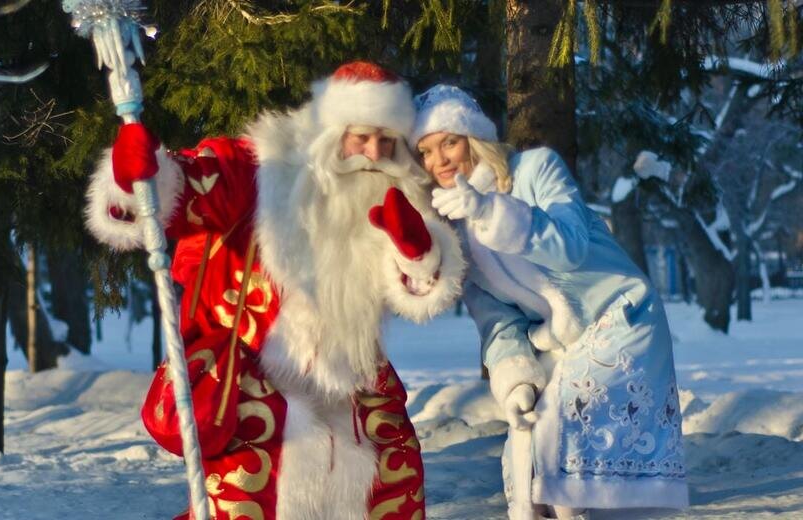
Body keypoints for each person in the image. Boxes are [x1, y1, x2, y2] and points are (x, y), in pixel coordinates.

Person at [85, 61, 467, 519]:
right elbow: (188, 189)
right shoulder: (261, 167)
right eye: (361, 137)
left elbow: (418, 288)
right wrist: (140, 178)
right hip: (253, 379)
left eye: (387, 141)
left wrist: (417, 252)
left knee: (391, 486)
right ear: (330, 131)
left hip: (354, 381)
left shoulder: (393, 192)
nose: (373, 153)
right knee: (251, 497)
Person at [410, 85, 688, 520]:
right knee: (529, 450)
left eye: (449, 142)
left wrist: (489, 211)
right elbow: (497, 320)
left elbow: (572, 246)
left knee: (562, 431)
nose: (439, 160)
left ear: (474, 139)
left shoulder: (536, 168)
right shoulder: (452, 233)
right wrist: (515, 380)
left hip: (623, 315)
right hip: (560, 341)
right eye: (425, 151)